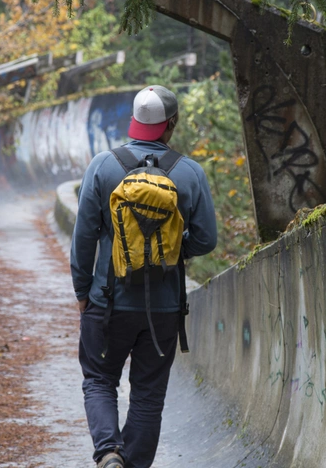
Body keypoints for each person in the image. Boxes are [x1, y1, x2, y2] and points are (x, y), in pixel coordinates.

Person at [71, 85, 217, 468]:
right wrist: (170, 249)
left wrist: (82, 290)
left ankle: (108, 453)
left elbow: (84, 236)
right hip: (165, 308)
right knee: (148, 395)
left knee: (100, 379)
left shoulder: (103, 166)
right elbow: (206, 239)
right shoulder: (189, 173)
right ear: (171, 125)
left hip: (107, 302)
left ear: (134, 122)